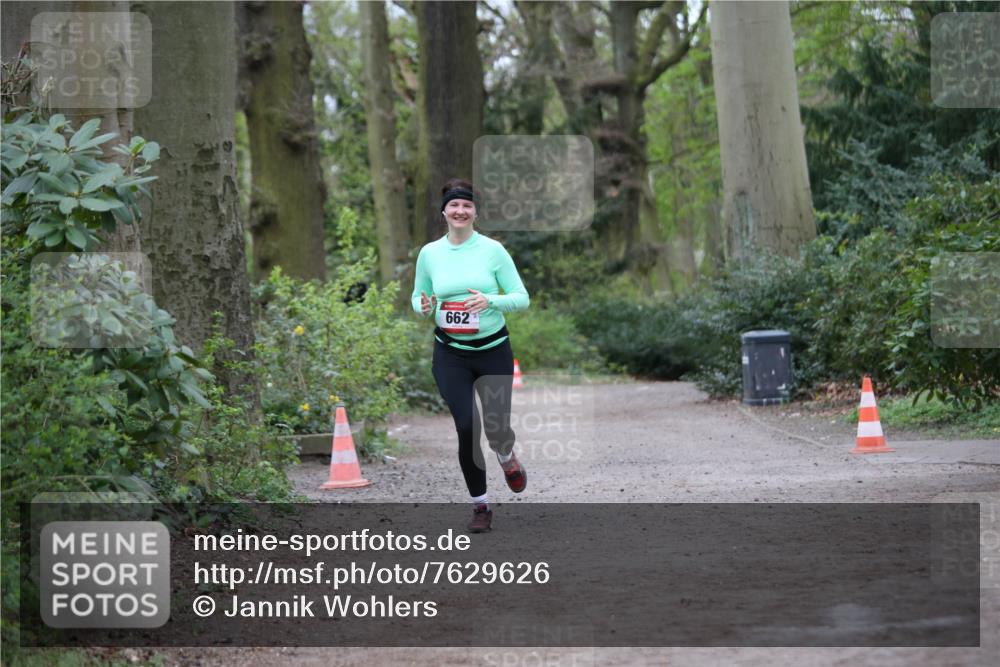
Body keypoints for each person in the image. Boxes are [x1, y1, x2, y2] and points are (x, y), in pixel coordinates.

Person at [411, 178, 530, 533]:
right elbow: (419, 297)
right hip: (451, 354)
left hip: (493, 350)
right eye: (454, 206)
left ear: (475, 212)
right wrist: (425, 306)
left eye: (466, 206)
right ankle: (481, 506)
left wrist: (490, 300)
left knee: (495, 429)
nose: (460, 211)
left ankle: (506, 456)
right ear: (444, 212)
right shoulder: (430, 253)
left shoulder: (493, 251)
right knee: (467, 427)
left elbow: (521, 298)